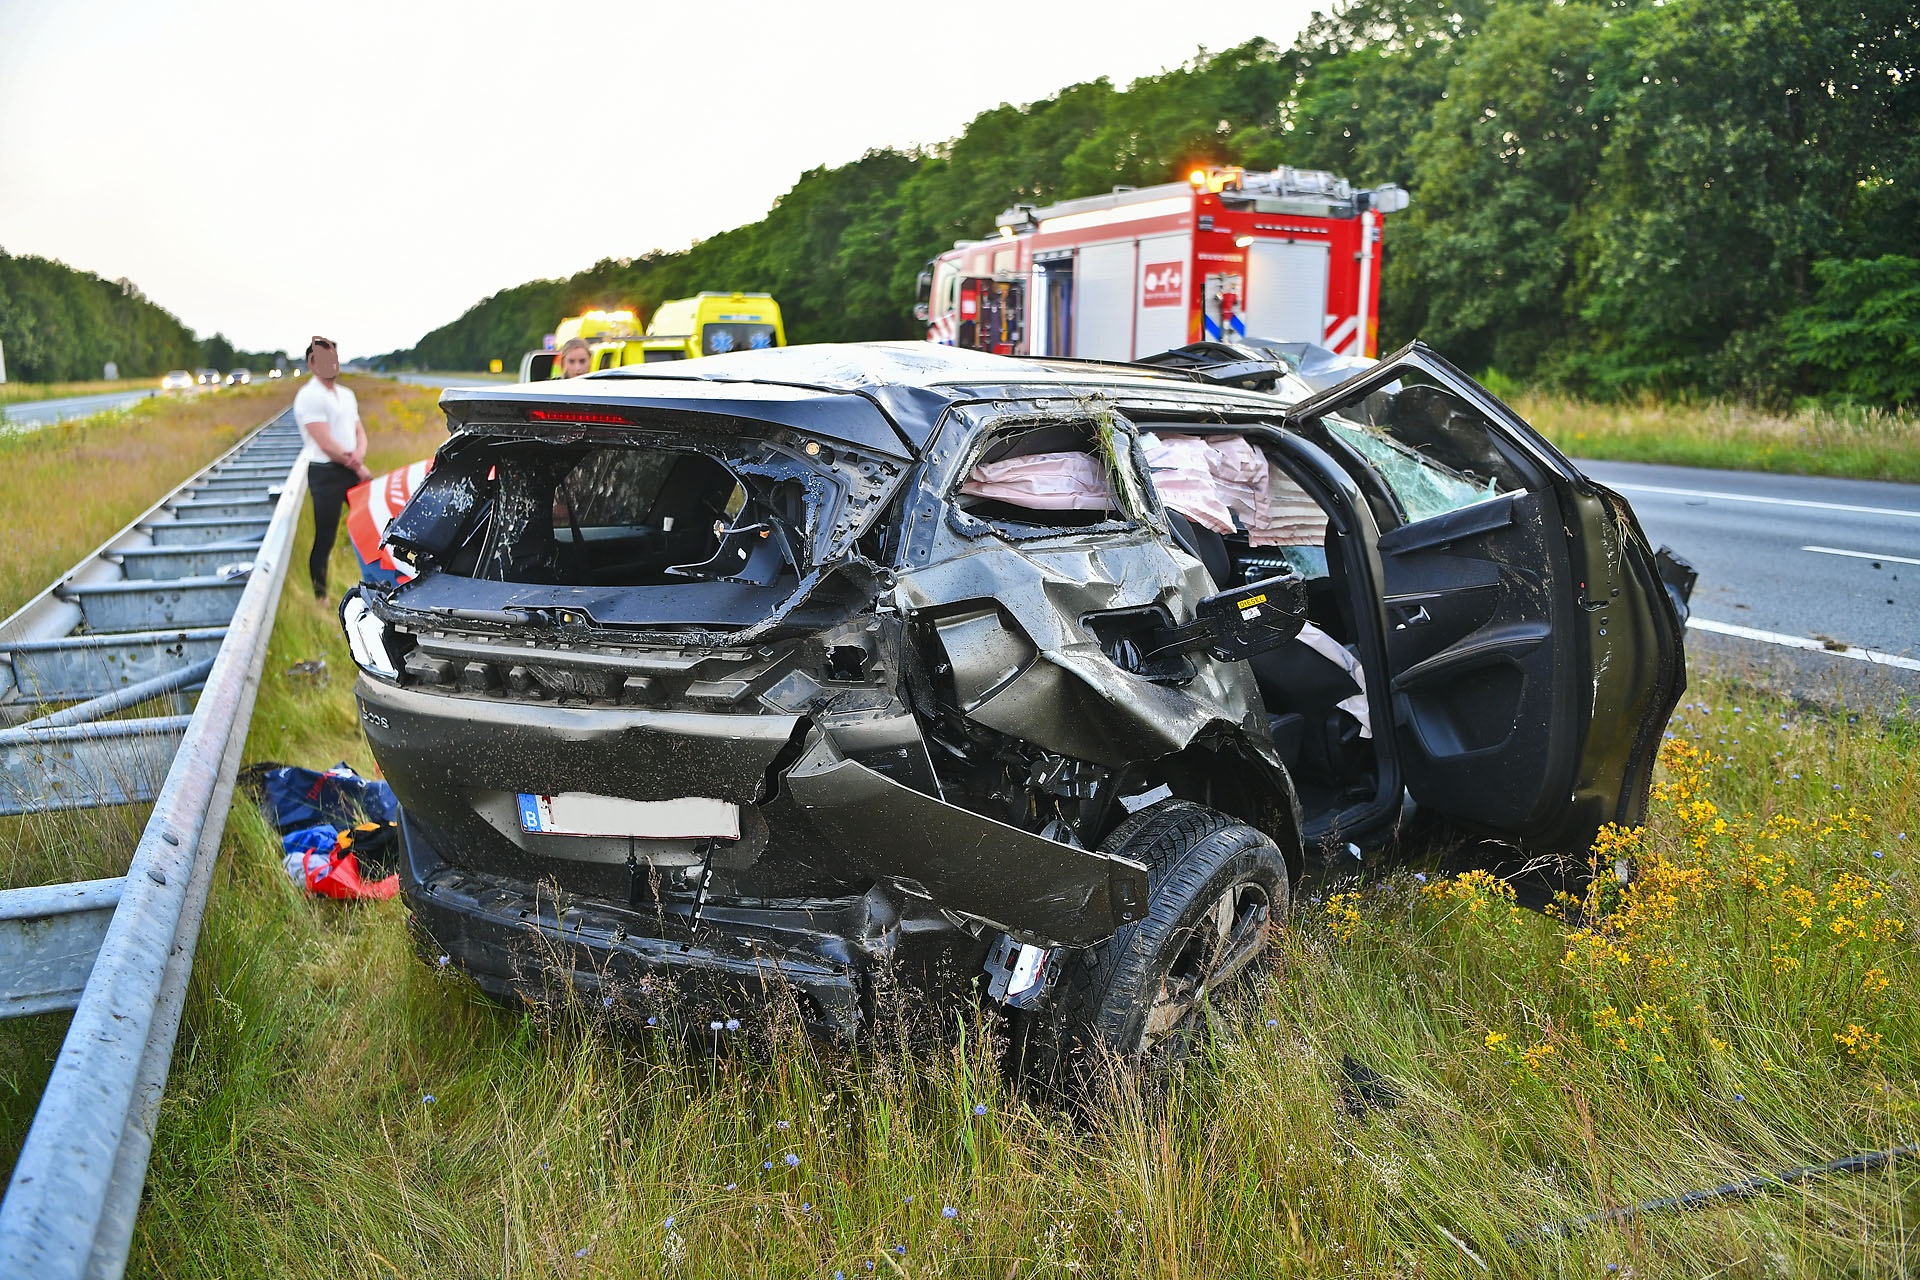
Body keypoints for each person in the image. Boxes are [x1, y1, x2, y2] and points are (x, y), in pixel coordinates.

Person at [293, 335, 371, 600]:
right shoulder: (308, 396)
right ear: (312, 363)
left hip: (352, 468)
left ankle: (380, 586)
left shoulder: (347, 395)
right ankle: (321, 597)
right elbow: (325, 442)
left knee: (373, 528)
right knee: (325, 537)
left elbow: (359, 431)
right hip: (325, 473)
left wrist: (359, 458)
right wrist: (357, 465)